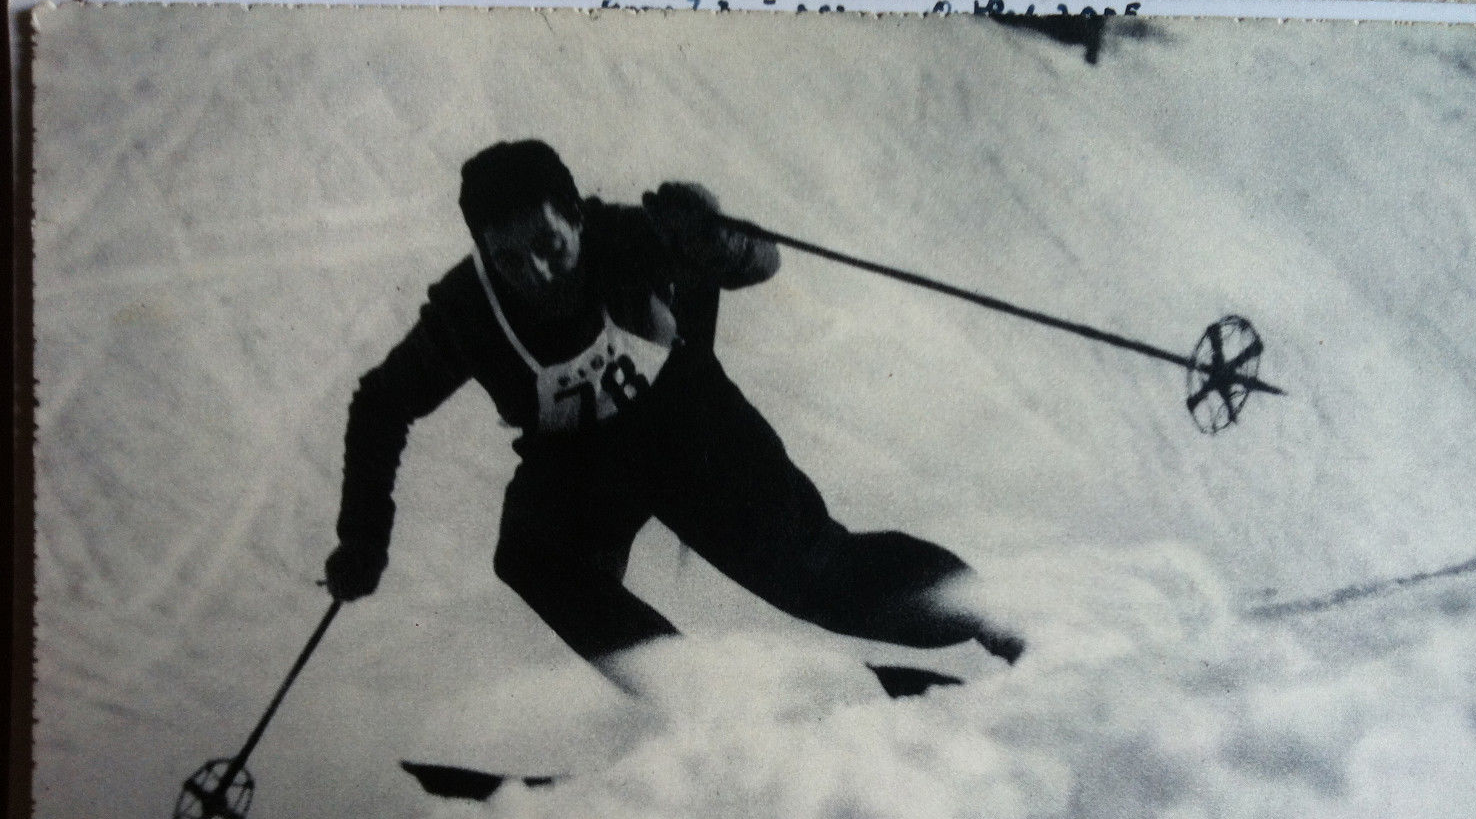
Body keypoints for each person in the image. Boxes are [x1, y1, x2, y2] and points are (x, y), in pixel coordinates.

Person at [325, 139, 1023, 691]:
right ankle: (700, 693)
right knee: (532, 556)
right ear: (482, 252)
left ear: (575, 212)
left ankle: (995, 616)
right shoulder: (466, 311)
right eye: (509, 259)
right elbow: (381, 404)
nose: (537, 272)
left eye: (549, 245)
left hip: (691, 428)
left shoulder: (628, 235)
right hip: (578, 463)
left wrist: (709, 234)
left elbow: (759, 262)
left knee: (813, 574)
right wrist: (363, 536)